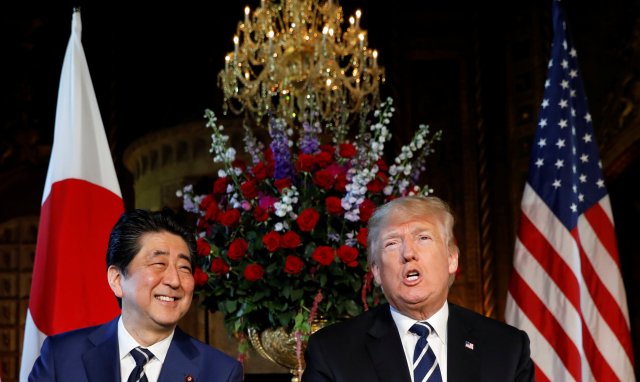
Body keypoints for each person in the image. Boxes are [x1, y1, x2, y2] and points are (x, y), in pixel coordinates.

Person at [302, 196, 534, 382]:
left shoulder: (507, 348)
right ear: (376, 272)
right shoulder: (332, 351)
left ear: (452, 259)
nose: (408, 253)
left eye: (423, 237)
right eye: (392, 243)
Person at [29, 209, 243, 382]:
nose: (174, 280)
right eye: (159, 264)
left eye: (184, 267)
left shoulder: (220, 372)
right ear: (117, 279)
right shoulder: (62, 356)